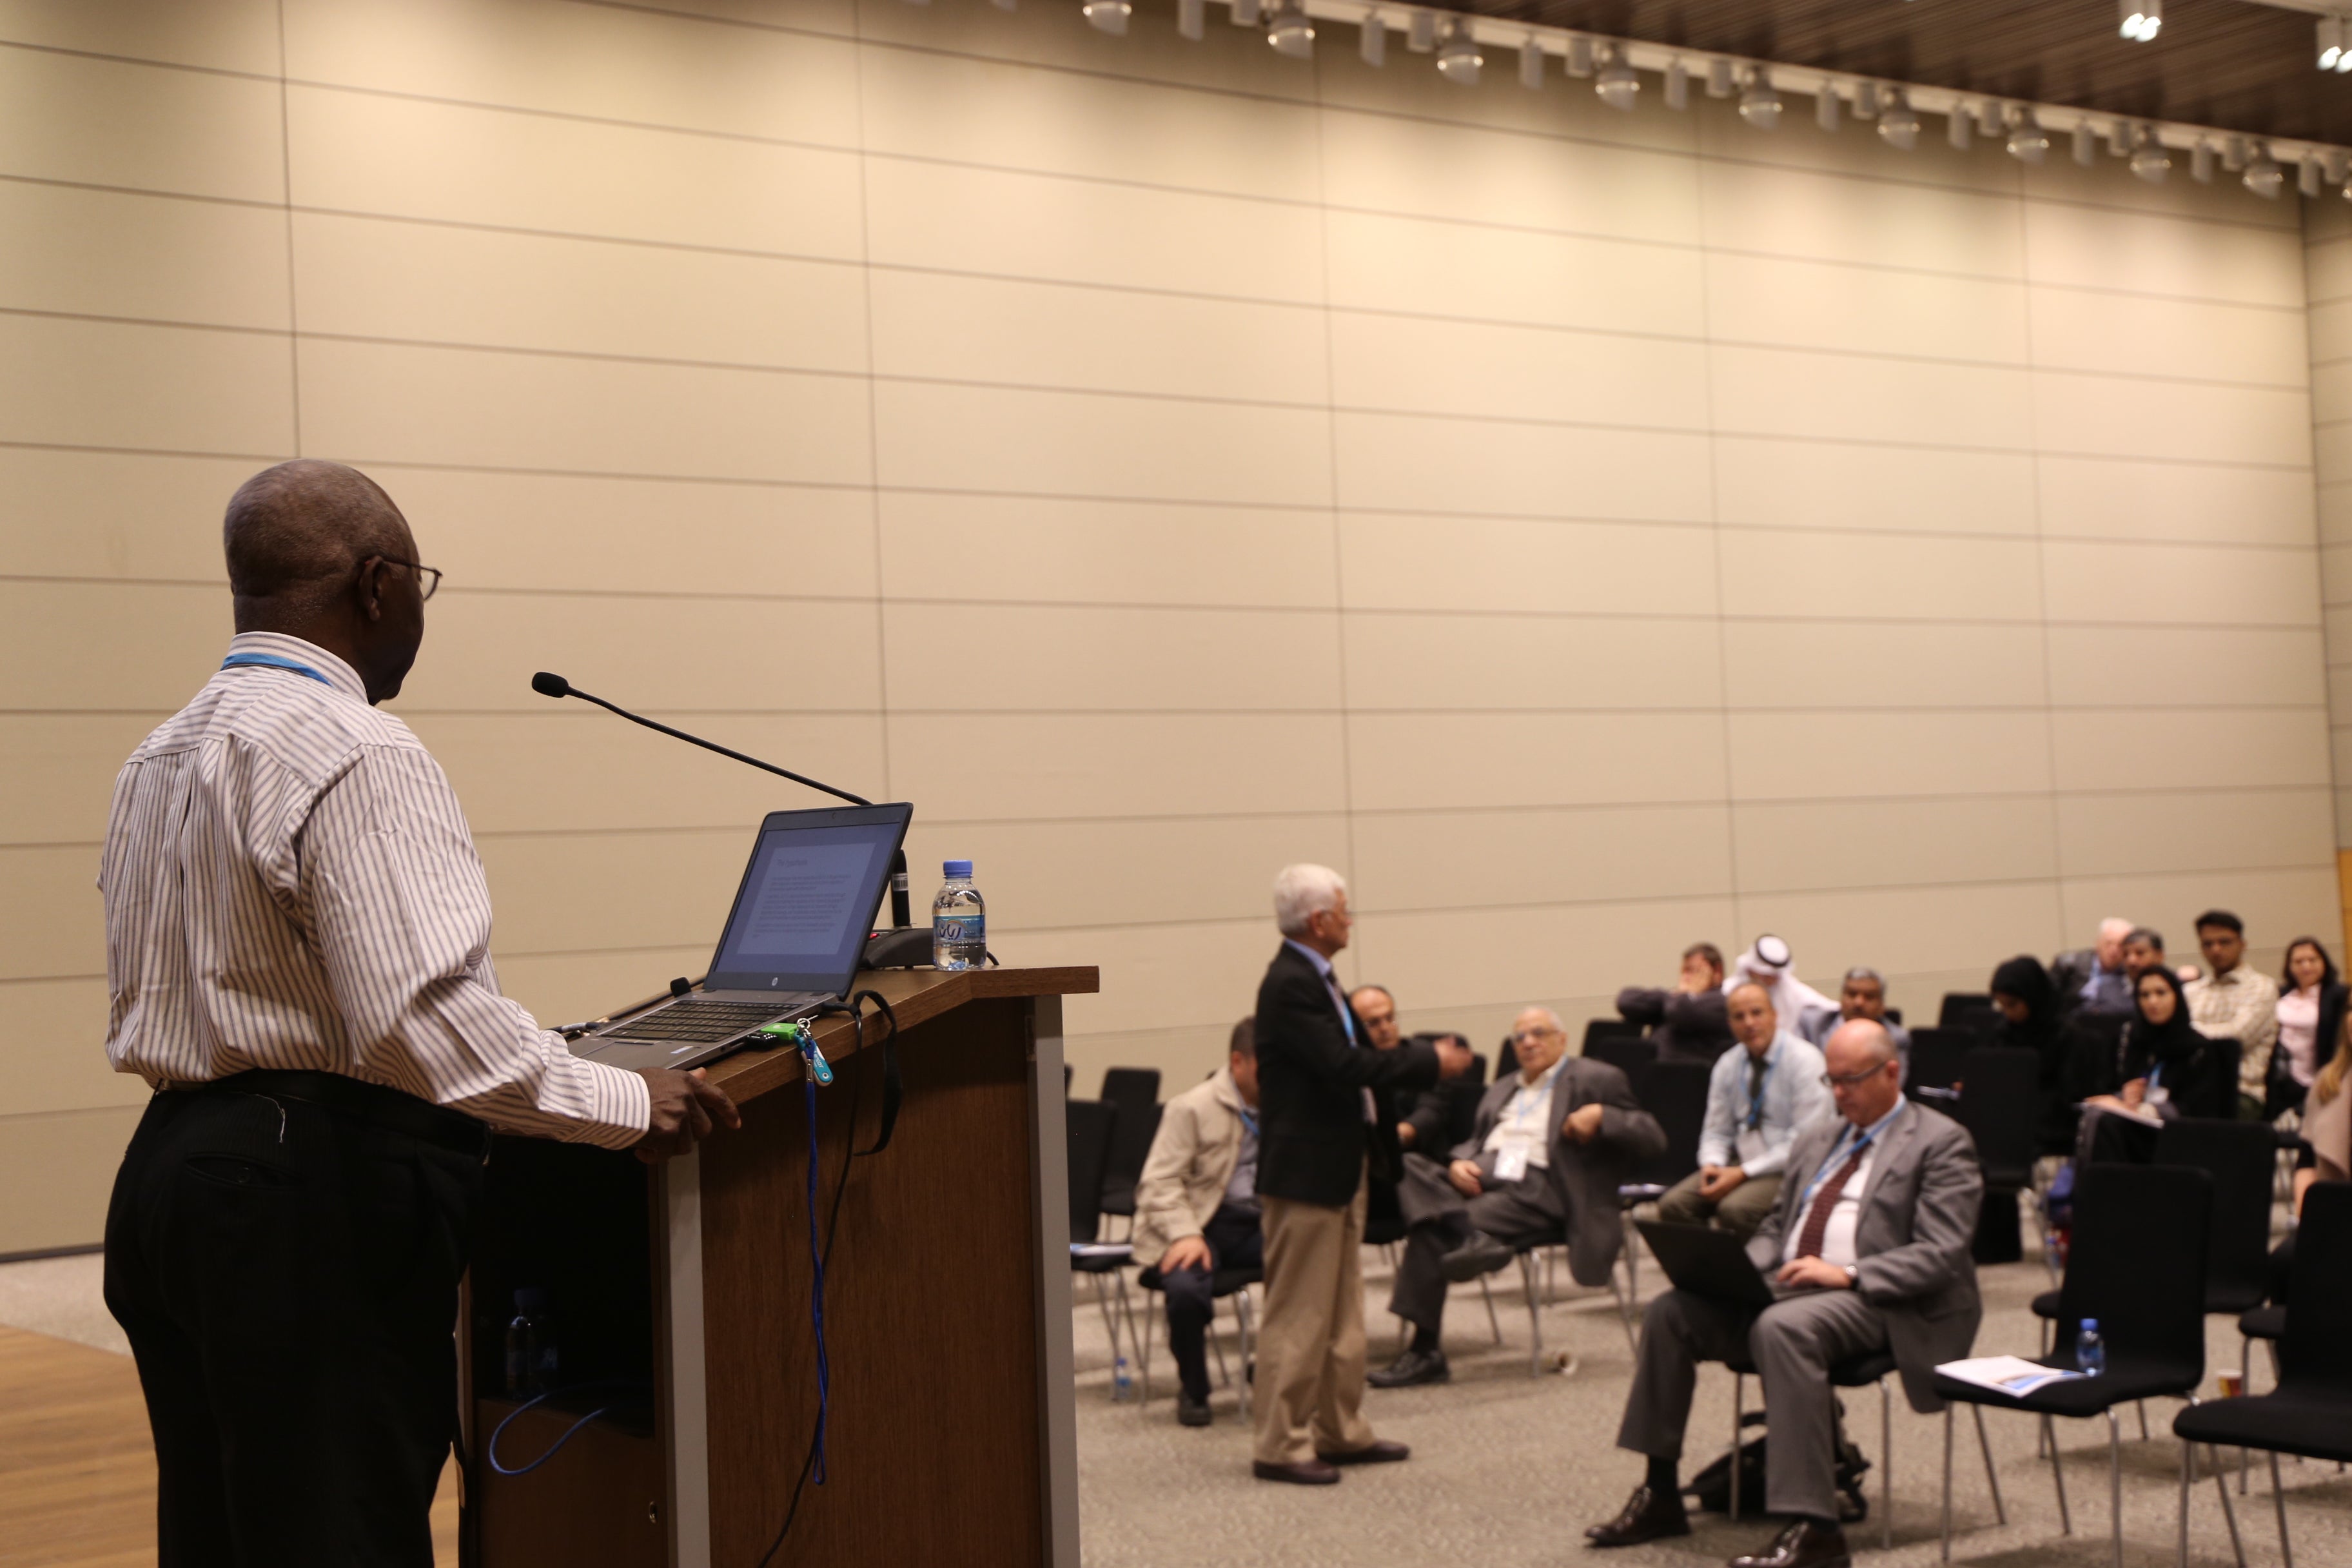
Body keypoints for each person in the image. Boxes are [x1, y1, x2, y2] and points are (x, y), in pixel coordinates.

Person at [97, 462, 740, 1565]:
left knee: (221, 1531)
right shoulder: (356, 748)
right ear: (380, 583)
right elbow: (420, 1022)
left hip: (171, 1176)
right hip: (309, 1194)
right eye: (423, 586)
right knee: (339, 1533)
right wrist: (625, 1101)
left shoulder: (158, 754)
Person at [1587, 1021, 1984, 1568]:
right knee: (1670, 1312)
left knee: (1783, 1330)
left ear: (1892, 1073)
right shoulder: (1820, 1137)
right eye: (1832, 1081)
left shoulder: (1941, 1142)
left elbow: (1942, 1252)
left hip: (1882, 1298)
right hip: (1790, 1285)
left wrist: (1847, 1275)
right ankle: (1660, 1494)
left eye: (1851, 1080)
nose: (1839, 1094)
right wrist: (1739, 1272)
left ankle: (1816, 1527)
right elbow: (1778, 1225)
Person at [1248, 864, 1471, 1485]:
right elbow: (1344, 1064)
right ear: (1319, 921)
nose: (1350, 920)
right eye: (1344, 910)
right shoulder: (1290, 983)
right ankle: (1280, 1444)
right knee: (1298, 1315)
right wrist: (1431, 1059)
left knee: (1343, 1314)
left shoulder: (1319, 979)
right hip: (1305, 1174)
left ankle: (1340, 1430)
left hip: (1342, 1168)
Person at [1368, 1006, 1664, 1388]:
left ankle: (1426, 1351)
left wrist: (1603, 1115)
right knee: (1406, 1164)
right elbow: (1475, 1141)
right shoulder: (1504, 1086)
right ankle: (1466, 1234)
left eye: (1538, 1034)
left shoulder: (1596, 1078)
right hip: (1485, 1179)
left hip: (1542, 1187)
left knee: (1431, 1230)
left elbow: (1653, 1137)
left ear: (1562, 1039)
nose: (1528, 1043)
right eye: (1520, 1037)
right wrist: (1460, 1163)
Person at [1132, 1018, 1265, 1427]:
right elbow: (1159, 1182)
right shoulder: (1192, 1107)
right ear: (1238, 1062)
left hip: (1258, 1221)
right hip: (1201, 1221)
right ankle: (1194, 1388)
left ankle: (1272, 1365)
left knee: (1314, 1266)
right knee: (1186, 1290)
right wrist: (1187, 1234)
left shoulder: (1284, 1103)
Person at [1655, 983, 1832, 1240]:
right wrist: (1712, 1165)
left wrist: (1742, 1173)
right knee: (1675, 1205)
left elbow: (1805, 1142)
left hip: (1793, 1165)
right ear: (1730, 1023)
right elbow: (1716, 1131)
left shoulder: (1806, 1061)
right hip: (1742, 1162)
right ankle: (1710, 1275)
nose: (1749, 1023)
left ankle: (1762, 1274)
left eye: (1757, 1013)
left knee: (1736, 1210)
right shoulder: (1728, 1065)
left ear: (1774, 1015)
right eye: (1739, 1017)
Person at [2075, 968, 2235, 1164]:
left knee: (2109, 1125)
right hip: (2133, 1130)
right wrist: (2126, 1098)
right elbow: (2109, 1086)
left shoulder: (2198, 1048)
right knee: (2098, 1117)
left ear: (2176, 996)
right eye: (2145, 995)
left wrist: (2143, 1110)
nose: (2153, 1002)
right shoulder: (2130, 1041)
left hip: (2177, 1137)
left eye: (2161, 993)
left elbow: (2198, 1110)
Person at [2182, 910, 2280, 1121]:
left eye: (2224, 942)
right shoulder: (2190, 991)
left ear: (2242, 944)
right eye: (2208, 944)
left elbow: (2236, 1038)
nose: (2216, 950)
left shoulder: (2262, 987)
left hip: (2240, 1091)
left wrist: (2187, 1032)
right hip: (2189, 1086)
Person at [1986, 956, 2073, 1154]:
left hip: (2050, 1132)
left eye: (2013, 1004)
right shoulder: (2002, 1033)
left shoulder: (2066, 1035)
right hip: (2006, 1120)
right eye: (2002, 1006)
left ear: (2032, 997)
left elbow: (2068, 1097)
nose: (2008, 1013)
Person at [1618, 943, 1737, 1065]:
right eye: (1684, 971)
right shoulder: (1675, 1001)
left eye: (1693, 971)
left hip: (1689, 1077)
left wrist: (1682, 995)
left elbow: (1680, 1013)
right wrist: (1673, 996)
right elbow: (1626, 1001)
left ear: (1717, 972)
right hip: (1652, 1073)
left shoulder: (1723, 1003)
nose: (1685, 978)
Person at [1725, 936, 1839, 1045]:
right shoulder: (1727, 991)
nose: (1750, 1022)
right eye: (1765, 975)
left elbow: (1822, 1005)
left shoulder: (1790, 991)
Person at [2273, 937, 2344, 1114]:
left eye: (2313, 960)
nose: (2306, 966)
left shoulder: (2338, 995)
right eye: (2299, 961)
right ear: (2289, 966)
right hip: (2281, 1078)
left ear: (2324, 962)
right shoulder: (2281, 994)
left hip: (2317, 1077)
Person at [1801, 968, 1912, 1075]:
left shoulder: (1895, 1038)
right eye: (1852, 994)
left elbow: (1893, 1085)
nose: (1859, 1003)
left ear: (1882, 1006)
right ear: (1841, 998)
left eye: (1869, 997)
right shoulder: (1815, 1025)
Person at [2050, 917, 2135, 1015]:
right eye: (2108, 943)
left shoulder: (2131, 972)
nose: (2114, 950)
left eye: (2120, 945)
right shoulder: (2068, 965)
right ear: (2098, 943)